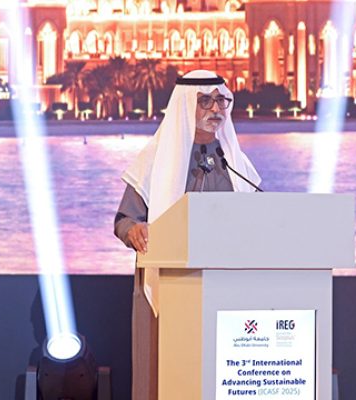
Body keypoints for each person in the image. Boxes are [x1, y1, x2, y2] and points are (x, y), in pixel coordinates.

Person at [114, 70, 261, 400]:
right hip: (169, 283)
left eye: (221, 100)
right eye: (205, 101)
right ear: (183, 107)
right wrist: (135, 230)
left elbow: (258, 216)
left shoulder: (234, 162)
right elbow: (125, 219)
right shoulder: (154, 159)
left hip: (228, 285)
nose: (216, 109)